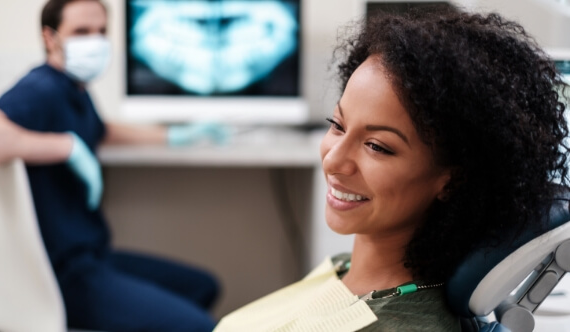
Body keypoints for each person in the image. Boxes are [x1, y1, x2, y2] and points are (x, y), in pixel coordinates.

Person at [213, 7, 570, 332]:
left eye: (377, 146)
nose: (333, 160)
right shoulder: (344, 268)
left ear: (454, 179)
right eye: (336, 124)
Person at [0, 0, 226, 331]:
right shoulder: (42, 88)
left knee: (204, 285)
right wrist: (65, 147)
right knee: (201, 326)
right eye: (81, 32)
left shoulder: (75, 90)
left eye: (101, 32)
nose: (94, 42)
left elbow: (102, 129)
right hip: (64, 275)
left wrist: (175, 135)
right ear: (50, 38)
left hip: (94, 257)